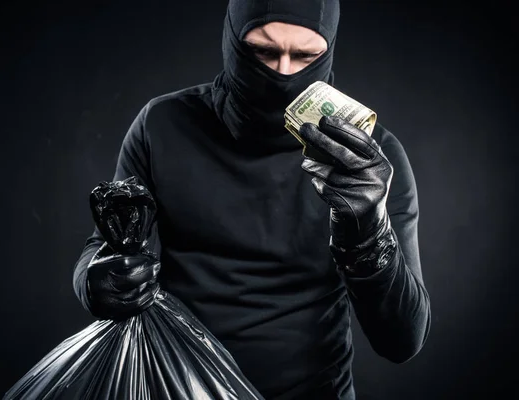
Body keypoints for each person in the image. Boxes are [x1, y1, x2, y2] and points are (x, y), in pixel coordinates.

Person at [73, 0, 431, 399]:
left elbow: (403, 341)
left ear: (329, 48)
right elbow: (101, 248)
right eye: (263, 51)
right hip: (179, 387)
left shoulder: (371, 159)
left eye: (306, 56)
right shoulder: (163, 124)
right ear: (231, 40)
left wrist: (368, 232)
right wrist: (96, 281)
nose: (283, 72)